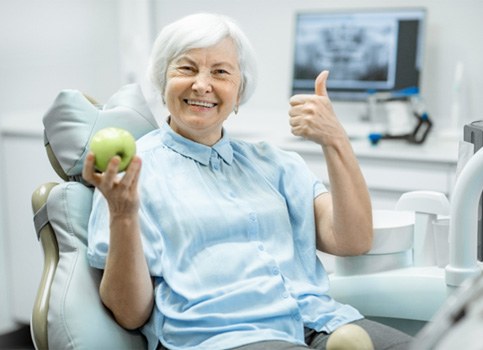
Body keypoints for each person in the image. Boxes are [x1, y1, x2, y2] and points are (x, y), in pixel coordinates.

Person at [83, 13, 413, 350]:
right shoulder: (132, 174)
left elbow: (353, 240)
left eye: (221, 72)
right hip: (225, 337)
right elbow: (130, 314)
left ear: (239, 92)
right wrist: (122, 214)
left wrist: (336, 141)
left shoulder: (276, 164)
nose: (201, 84)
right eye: (186, 68)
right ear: (162, 80)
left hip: (320, 321)